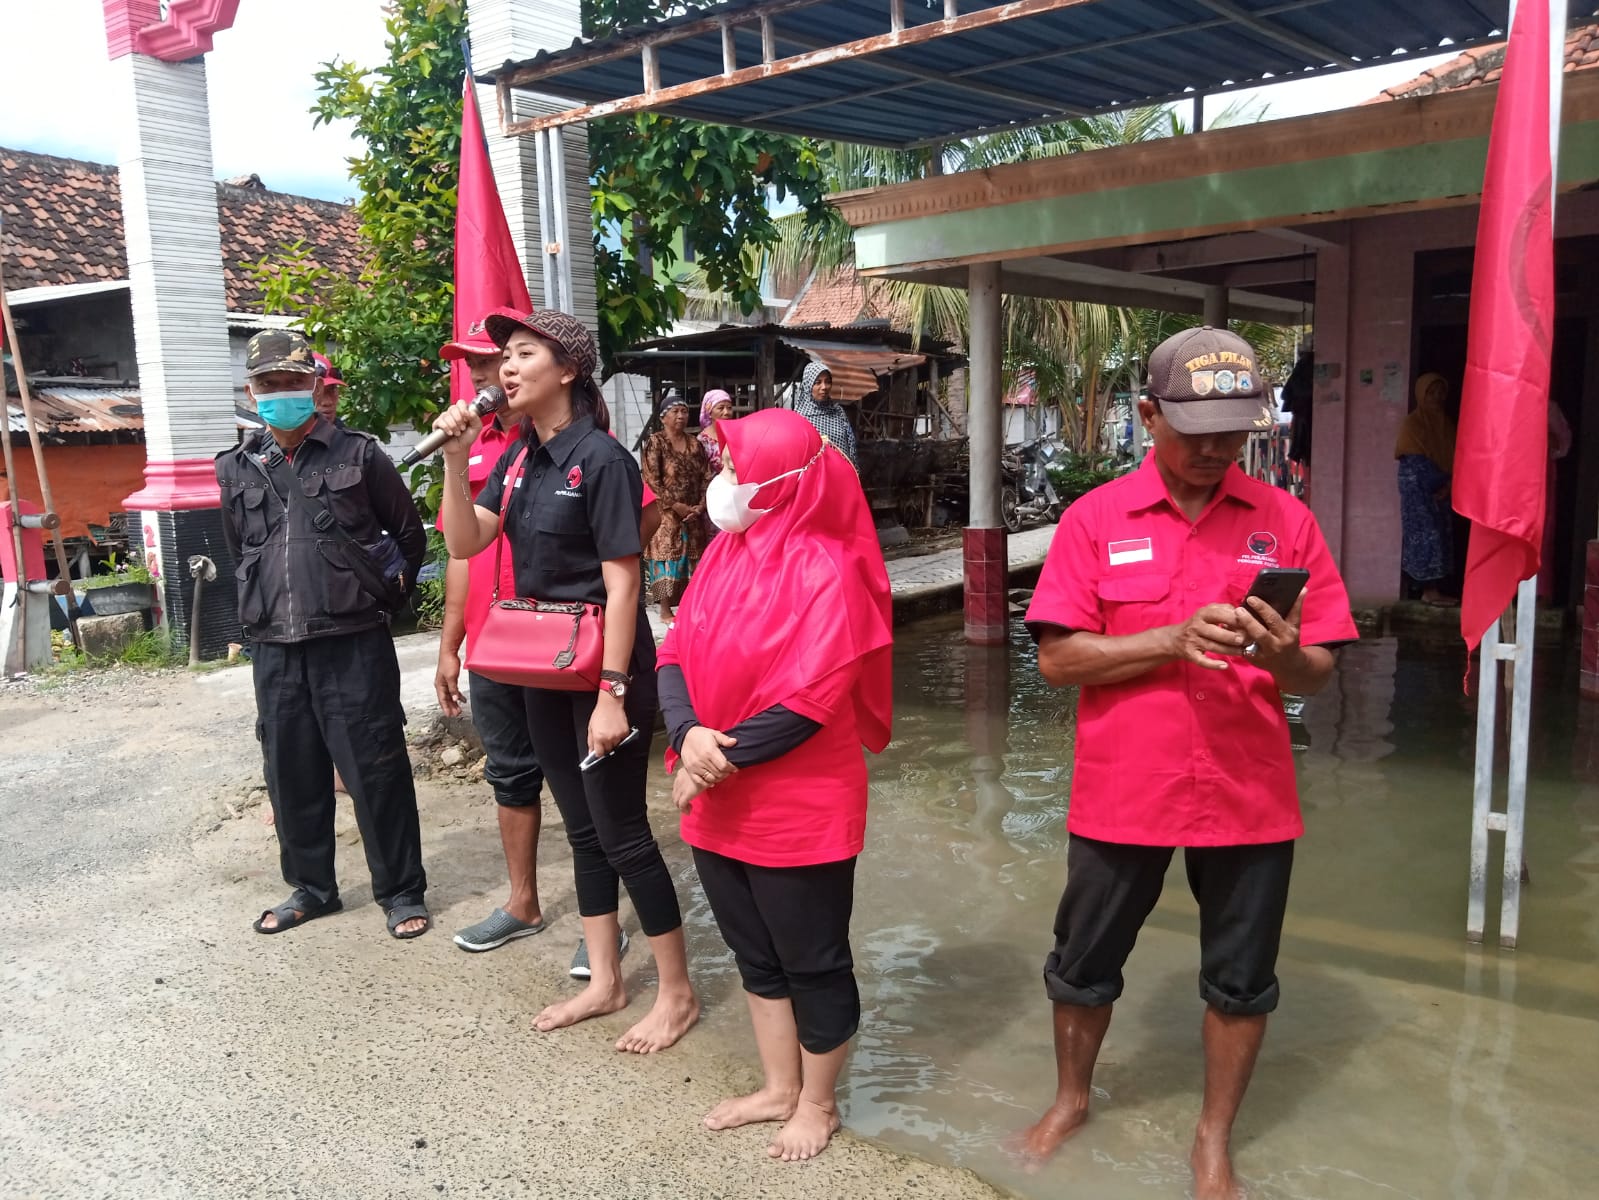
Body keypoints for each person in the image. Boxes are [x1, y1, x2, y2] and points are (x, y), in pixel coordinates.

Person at [1020, 327, 1357, 1200]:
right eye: (1193, 428)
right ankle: (1070, 1099)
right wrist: (1169, 639)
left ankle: (1212, 1141)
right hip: (1123, 787)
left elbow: (1317, 674)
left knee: (1242, 981)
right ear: (1146, 414)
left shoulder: (1286, 523)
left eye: (1232, 431)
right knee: (1081, 961)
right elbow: (1057, 661)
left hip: (1248, 792)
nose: (1213, 448)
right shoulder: (1093, 520)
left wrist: (1281, 654)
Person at [432, 306, 700, 1053]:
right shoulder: (519, 457)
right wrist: (456, 463)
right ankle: (607, 980)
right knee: (582, 833)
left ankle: (675, 994)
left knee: (623, 834)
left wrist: (613, 695)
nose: (505, 369)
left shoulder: (601, 459)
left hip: (600, 671)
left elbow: (623, 584)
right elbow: (466, 540)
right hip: (539, 666)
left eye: (522, 355)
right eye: (503, 357)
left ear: (569, 370)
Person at [658, 408, 893, 1161]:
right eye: (724, 467)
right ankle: (777, 1086)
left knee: (813, 959)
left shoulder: (828, 567)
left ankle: (817, 1102)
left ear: (787, 481)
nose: (725, 483)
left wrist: (703, 762)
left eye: (737, 469)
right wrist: (686, 735)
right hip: (717, 795)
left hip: (799, 805)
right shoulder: (725, 553)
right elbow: (673, 657)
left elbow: (810, 703)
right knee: (752, 954)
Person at [217, 330, 430, 939]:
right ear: (251, 392)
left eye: (292, 382)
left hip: (352, 642)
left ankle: (401, 890)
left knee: (376, 769)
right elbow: (243, 550)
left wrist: (375, 595)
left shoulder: (358, 456)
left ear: (314, 386)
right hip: (275, 648)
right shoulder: (235, 468)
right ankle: (311, 889)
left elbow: (408, 538)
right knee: (291, 771)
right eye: (268, 385)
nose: (281, 393)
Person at [432, 320, 552, 955]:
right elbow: (461, 554)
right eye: (471, 364)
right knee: (510, 773)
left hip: (557, 642)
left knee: (587, 781)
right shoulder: (475, 447)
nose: (481, 375)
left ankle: (602, 918)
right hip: (494, 640)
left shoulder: (561, 438)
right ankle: (522, 901)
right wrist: (452, 644)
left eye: (493, 360)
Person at [641, 395, 711, 626]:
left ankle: (691, 607)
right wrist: (676, 505)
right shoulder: (656, 442)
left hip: (693, 512)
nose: (681, 416)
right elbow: (652, 479)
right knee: (667, 559)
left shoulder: (695, 444)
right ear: (663, 417)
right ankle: (664, 610)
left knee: (695, 560)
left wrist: (699, 506)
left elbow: (705, 476)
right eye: (675, 412)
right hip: (666, 512)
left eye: (684, 411)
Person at [1393, 372, 1457, 606]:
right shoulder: (1413, 423)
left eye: (1441, 392)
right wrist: (1437, 484)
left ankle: (1435, 589)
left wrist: (1449, 484)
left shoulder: (1446, 424)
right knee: (1425, 535)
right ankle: (1428, 591)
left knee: (1441, 535)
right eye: (1431, 392)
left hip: (1442, 488)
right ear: (1421, 394)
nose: (1437, 397)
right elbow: (1413, 459)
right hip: (1418, 490)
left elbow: (1456, 457)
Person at [792, 362, 858, 469]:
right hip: (813, 479)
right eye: (818, 382)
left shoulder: (838, 412)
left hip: (840, 474)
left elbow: (850, 446)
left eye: (828, 382)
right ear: (807, 385)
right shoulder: (799, 418)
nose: (824, 387)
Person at [312, 352, 346, 428]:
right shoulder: (283, 437)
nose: (328, 402)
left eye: (332, 391)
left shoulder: (352, 439)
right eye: (317, 392)